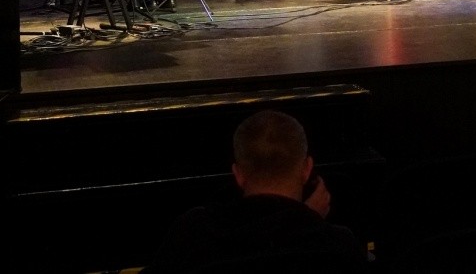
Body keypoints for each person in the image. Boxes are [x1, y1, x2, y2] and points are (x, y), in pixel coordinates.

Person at [144, 109, 370, 273]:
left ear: (238, 174)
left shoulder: (193, 235)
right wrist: (305, 219)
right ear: (307, 169)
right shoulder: (339, 245)